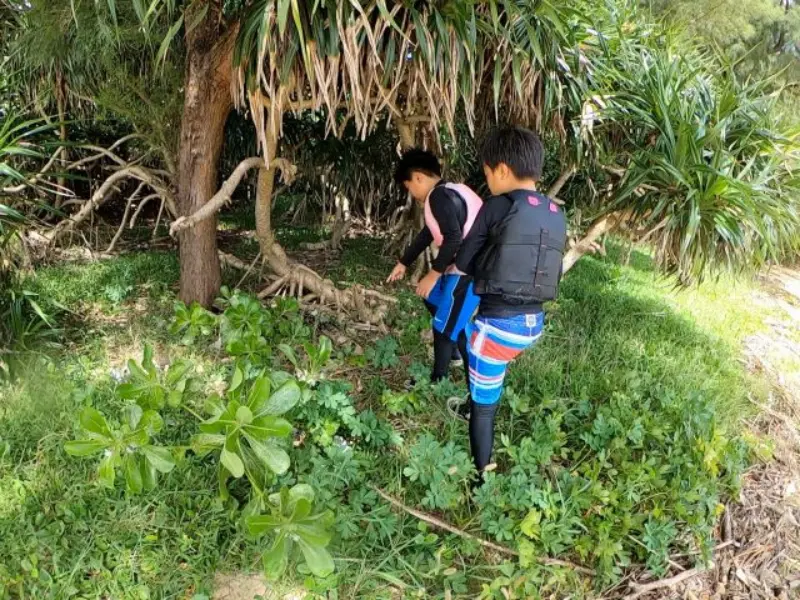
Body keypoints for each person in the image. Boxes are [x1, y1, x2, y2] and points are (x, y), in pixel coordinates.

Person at [449, 126, 567, 475]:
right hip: (533, 325)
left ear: (500, 170)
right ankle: (474, 400)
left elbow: (465, 262)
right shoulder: (555, 212)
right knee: (471, 341)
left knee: (486, 406)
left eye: (487, 175)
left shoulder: (497, 206)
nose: (488, 183)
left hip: (499, 329)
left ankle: (480, 477)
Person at [386, 149, 483, 385]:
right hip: (461, 269)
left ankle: (438, 380)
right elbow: (428, 233)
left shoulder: (439, 197)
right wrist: (403, 262)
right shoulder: (449, 192)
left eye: (409, 187)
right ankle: (456, 350)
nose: (411, 194)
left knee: (441, 327)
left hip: (469, 272)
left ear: (418, 177)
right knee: (432, 298)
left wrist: (432, 274)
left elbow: (453, 238)